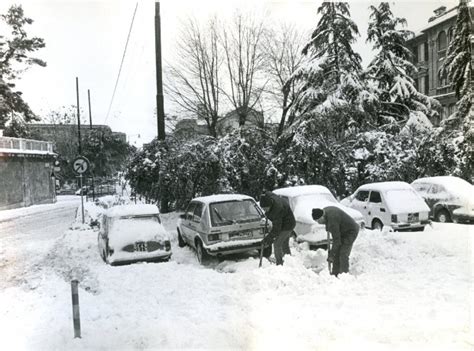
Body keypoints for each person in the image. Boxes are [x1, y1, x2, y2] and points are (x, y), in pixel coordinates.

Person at [312, 206, 359, 276]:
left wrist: (331, 255)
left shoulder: (332, 221)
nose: (318, 223)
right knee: (337, 253)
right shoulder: (325, 211)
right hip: (343, 230)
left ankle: (344, 276)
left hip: (351, 231)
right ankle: (335, 274)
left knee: (343, 254)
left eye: (318, 220)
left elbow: (337, 241)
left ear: (322, 217)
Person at [259, 191, 296, 265]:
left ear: (270, 205)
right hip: (284, 221)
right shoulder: (270, 197)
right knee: (284, 244)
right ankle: (289, 262)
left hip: (287, 225)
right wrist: (263, 193)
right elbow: (268, 193)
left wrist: (267, 239)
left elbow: (276, 230)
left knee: (277, 244)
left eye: (266, 208)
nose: (265, 210)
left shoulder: (277, 210)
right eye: (263, 209)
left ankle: (279, 264)